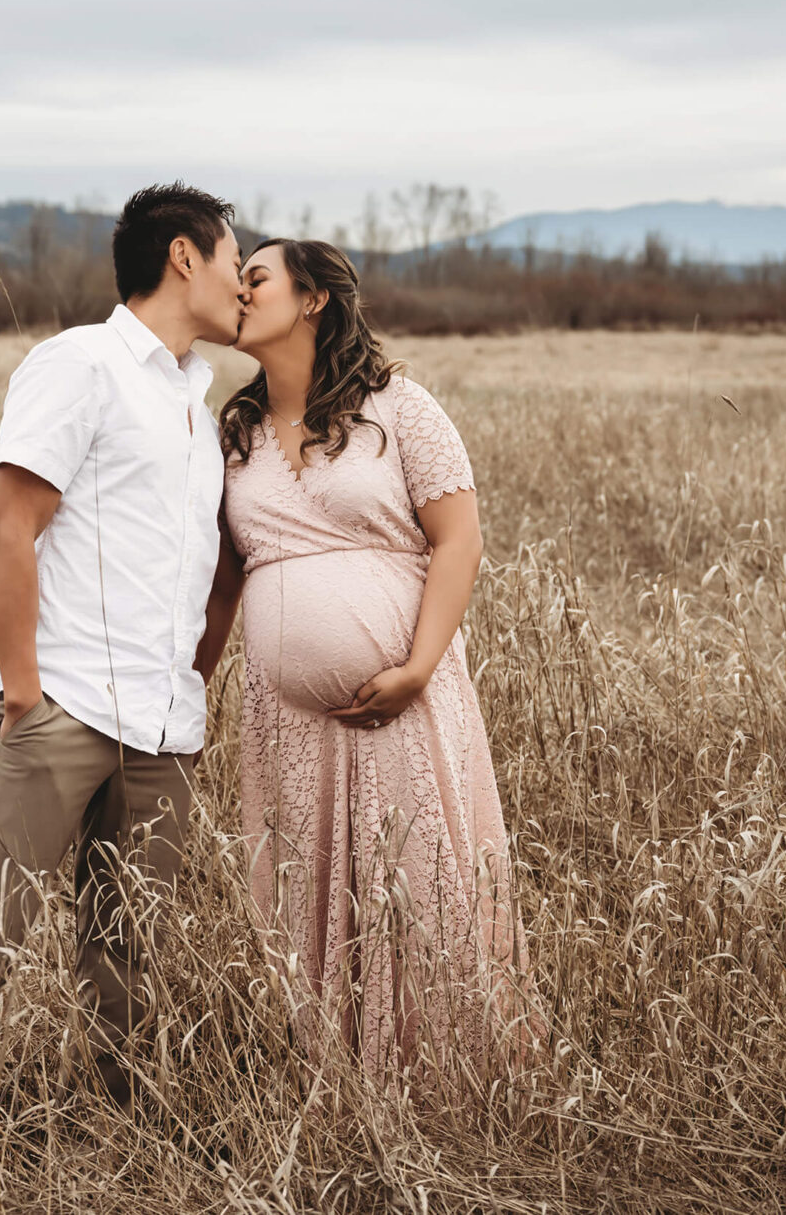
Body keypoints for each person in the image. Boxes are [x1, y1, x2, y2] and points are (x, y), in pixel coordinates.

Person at [0, 182, 243, 1130]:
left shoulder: (197, 409)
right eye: (231, 259)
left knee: (128, 949)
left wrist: (191, 686)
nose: (243, 282)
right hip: (62, 709)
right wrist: (22, 696)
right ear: (183, 257)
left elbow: (205, 571)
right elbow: (10, 530)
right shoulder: (79, 364)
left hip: (162, 729)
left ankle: (126, 1125)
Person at [200, 238, 532, 1081]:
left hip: (403, 697)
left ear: (312, 299)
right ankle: (330, 1078)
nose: (237, 292)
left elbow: (460, 543)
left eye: (256, 277)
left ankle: (443, 1081)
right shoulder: (231, 432)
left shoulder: (401, 409)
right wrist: (186, 691)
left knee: (414, 879)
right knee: (308, 888)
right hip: (288, 721)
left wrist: (418, 667)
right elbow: (222, 585)